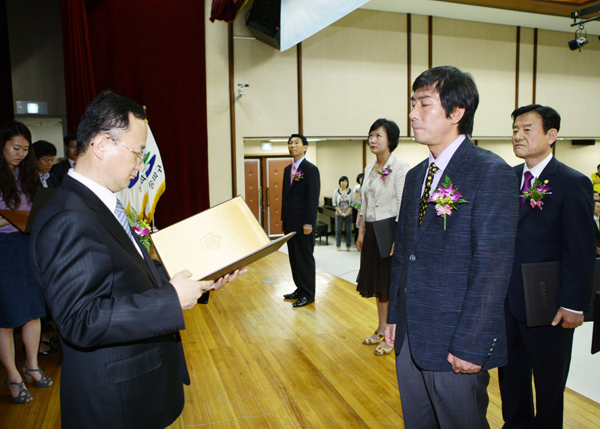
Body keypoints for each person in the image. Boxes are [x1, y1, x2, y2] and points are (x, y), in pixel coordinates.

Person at [29, 91, 244, 428]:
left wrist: (200, 279)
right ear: (101, 145)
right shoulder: (69, 217)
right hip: (115, 402)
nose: (140, 163)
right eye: (137, 152)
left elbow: (131, 272)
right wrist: (172, 300)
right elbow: (80, 319)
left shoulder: (97, 203)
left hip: (136, 386)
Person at [384, 66, 518, 427]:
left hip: (455, 340)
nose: (412, 114)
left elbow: (493, 267)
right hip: (411, 334)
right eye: (413, 103)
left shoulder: (490, 172)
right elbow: (404, 254)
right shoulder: (416, 176)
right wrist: (394, 315)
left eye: (424, 104)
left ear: (456, 112)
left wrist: (471, 344)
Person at [499, 104, 596, 429]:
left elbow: (581, 250)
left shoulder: (571, 182)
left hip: (548, 303)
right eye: (515, 129)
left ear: (551, 135)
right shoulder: (508, 179)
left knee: (548, 385)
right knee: (511, 381)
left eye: (527, 129)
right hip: (508, 303)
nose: (518, 135)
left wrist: (573, 305)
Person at [0, 121, 54, 404]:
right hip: (4, 248)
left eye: (25, 149)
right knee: (6, 318)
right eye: (15, 147)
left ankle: (31, 364)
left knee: (34, 311)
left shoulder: (28, 174)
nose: (20, 154)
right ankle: (12, 375)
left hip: (28, 244)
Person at [356, 118, 409, 356]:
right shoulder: (369, 168)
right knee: (378, 286)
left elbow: (402, 205)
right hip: (371, 231)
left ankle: (391, 337)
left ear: (391, 140)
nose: (372, 139)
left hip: (390, 231)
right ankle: (380, 328)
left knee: (389, 286)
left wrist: (399, 237)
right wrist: (361, 231)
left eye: (378, 135)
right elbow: (363, 204)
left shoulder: (400, 167)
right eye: (371, 135)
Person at [281, 133, 320, 308]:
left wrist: (309, 223)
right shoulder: (286, 170)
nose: (292, 146)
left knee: (304, 259)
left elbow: (312, 198)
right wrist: (284, 220)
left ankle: (308, 293)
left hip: (304, 224)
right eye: (290, 143)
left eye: (296, 143)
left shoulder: (310, 170)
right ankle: (299, 288)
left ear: (305, 147)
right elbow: (285, 198)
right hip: (290, 223)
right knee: (294, 258)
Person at [332, 175, 354, 252]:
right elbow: (334, 203)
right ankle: (338, 245)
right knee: (338, 230)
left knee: (348, 230)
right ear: (340, 182)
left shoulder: (351, 191)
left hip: (348, 214)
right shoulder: (336, 191)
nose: (344, 183)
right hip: (339, 214)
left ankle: (348, 246)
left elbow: (352, 203)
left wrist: (348, 211)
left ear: (347, 182)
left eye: (345, 181)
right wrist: (339, 211)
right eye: (342, 181)